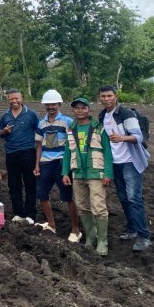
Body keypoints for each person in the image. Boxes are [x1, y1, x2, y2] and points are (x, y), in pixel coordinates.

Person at [98, 85, 151, 251]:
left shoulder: (126, 113)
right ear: (99, 98)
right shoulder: (103, 116)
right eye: (103, 96)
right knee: (123, 197)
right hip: (115, 163)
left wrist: (122, 138)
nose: (106, 99)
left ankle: (144, 236)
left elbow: (138, 136)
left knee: (134, 198)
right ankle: (132, 229)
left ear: (116, 96)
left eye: (109, 96)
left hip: (130, 162)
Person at [62, 97, 113, 257]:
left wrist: (108, 173)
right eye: (77, 108)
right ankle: (91, 237)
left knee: (98, 207)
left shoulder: (98, 128)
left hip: (95, 172)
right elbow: (67, 152)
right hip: (78, 173)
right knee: (82, 206)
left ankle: (103, 242)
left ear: (89, 110)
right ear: (73, 111)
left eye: (83, 108)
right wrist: (65, 173)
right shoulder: (71, 128)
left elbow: (107, 151)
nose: (80, 110)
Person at [34, 89, 81, 242]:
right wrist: (37, 165)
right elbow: (39, 145)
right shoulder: (41, 123)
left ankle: (75, 229)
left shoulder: (68, 122)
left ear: (59, 104)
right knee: (42, 193)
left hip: (61, 162)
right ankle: (51, 224)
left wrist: (70, 165)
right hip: (46, 162)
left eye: (53, 104)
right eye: (48, 104)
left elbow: (73, 144)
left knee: (67, 196)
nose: (50, 107)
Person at [0, 89, 40, 224]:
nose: (14, 101)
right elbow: (1, 133)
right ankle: (18, 213)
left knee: (30, 184)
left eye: (16, 98)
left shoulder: (32, 114)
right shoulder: (5, 116)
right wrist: (4, 131)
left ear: (22, 98)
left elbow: (39, 134)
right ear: (7, 100)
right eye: (11, 99)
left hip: (28, 152)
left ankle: (30, 215)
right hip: (11, 153)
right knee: (14, 184)